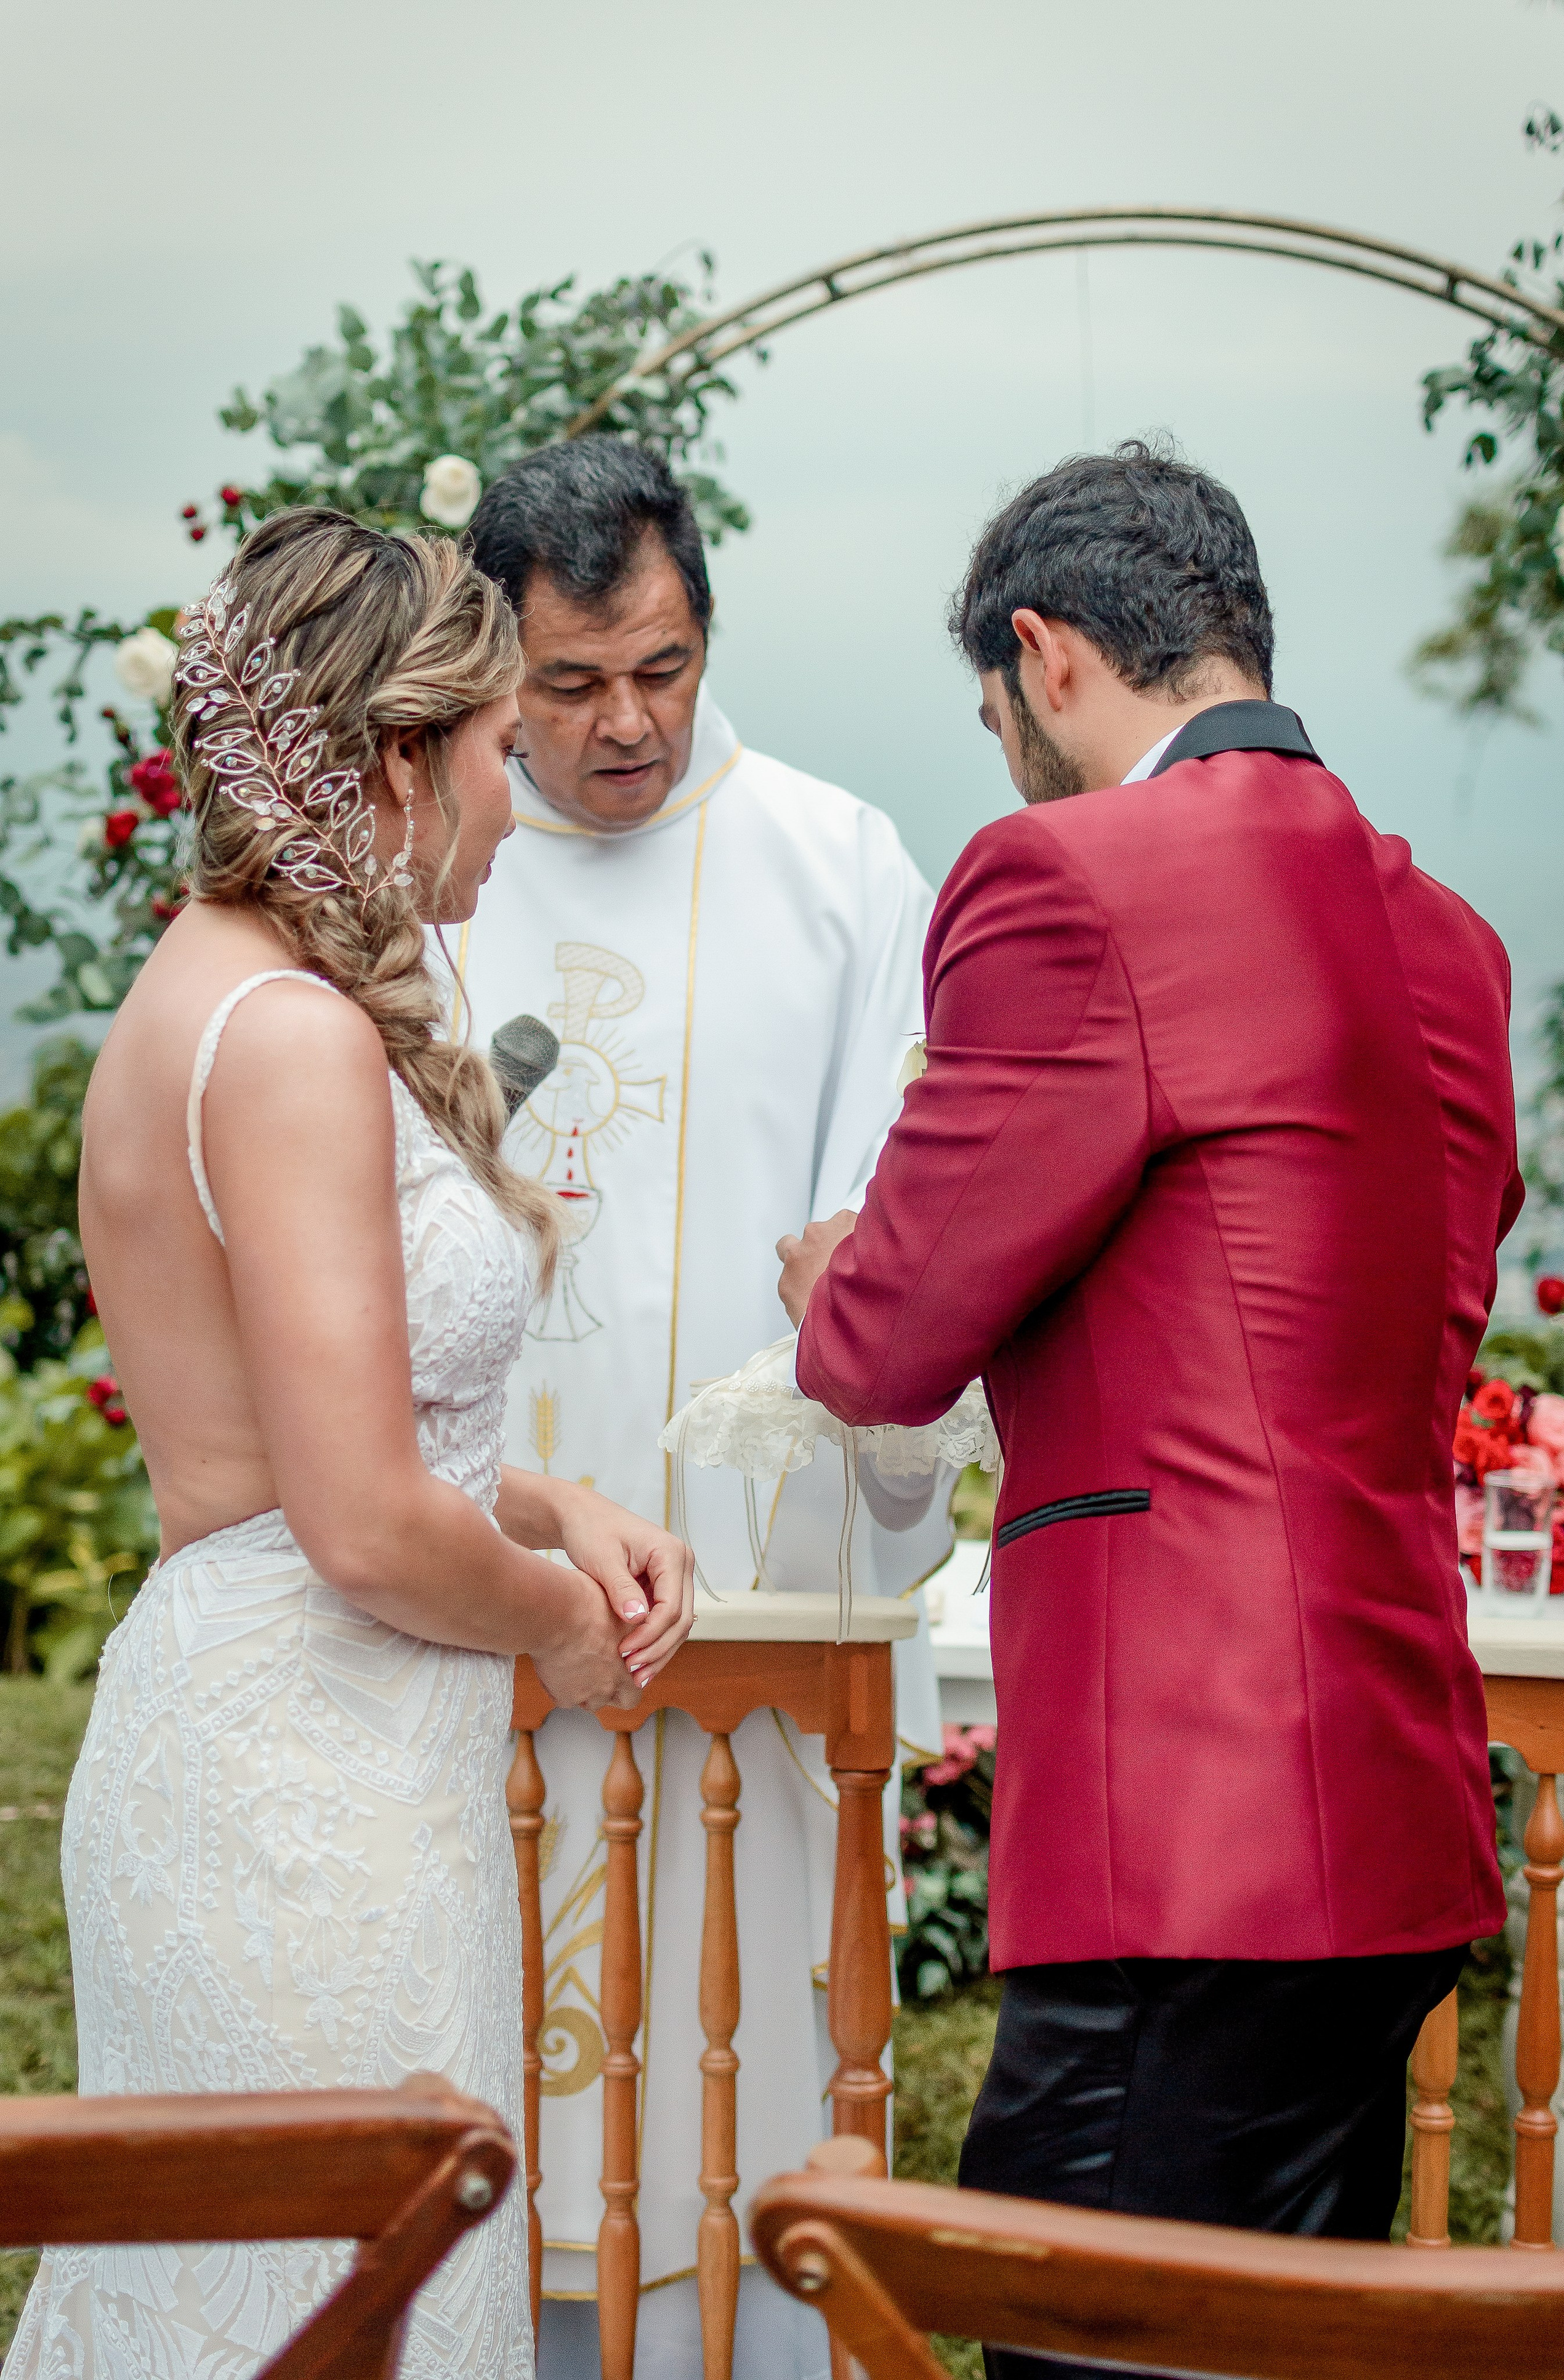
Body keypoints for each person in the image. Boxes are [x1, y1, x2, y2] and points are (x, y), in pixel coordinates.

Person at [778, 442, 1517, 2380]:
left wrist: (831, 1265)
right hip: (1390, 1798)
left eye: (998, 705)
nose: (1008, 748)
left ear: (1046, 656)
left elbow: (884, 1340)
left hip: (1188, 1824)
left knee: (1077, 2346)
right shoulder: (1446, 938)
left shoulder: (1062, 879)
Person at [8, 509, 694, 2380]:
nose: (519, 778)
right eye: (491, 734)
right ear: (396, 756)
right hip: (300, 1795)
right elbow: (366, 1522)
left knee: (283, 2301)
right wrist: (560, 1621)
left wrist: (554, 1499)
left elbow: (330, 1433)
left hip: (292, 1745)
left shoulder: (206, 978)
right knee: (328, 2308)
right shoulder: (294, 1034)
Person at [454, 435, 948, 2378]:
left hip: (746, 1634)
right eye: (568, 684)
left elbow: (886, 1245)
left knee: (731, 2122)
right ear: (497, 666)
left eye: (661, 665)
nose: (624, 723)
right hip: (474, 1625)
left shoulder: (839, 866)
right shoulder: (435, 865)